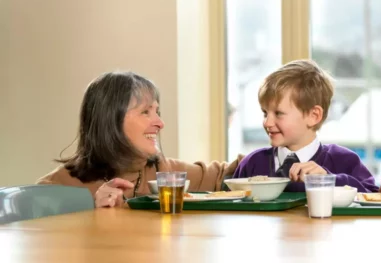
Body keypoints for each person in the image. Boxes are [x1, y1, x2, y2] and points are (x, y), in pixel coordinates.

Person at [37, 71, 239, 207]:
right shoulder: (55, 190)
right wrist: (90, 214)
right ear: (111, 121)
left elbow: (232, 173)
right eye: (145, 112)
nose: (160, 123)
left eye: (157, 111)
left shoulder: (164, 172)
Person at [233, 59, 378, 193]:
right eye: (265, 113)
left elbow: (374, 197)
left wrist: (329, 180)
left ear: (314, 116)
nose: (267, 123)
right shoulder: (252, 164)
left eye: (278, 113)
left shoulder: (345, 161)